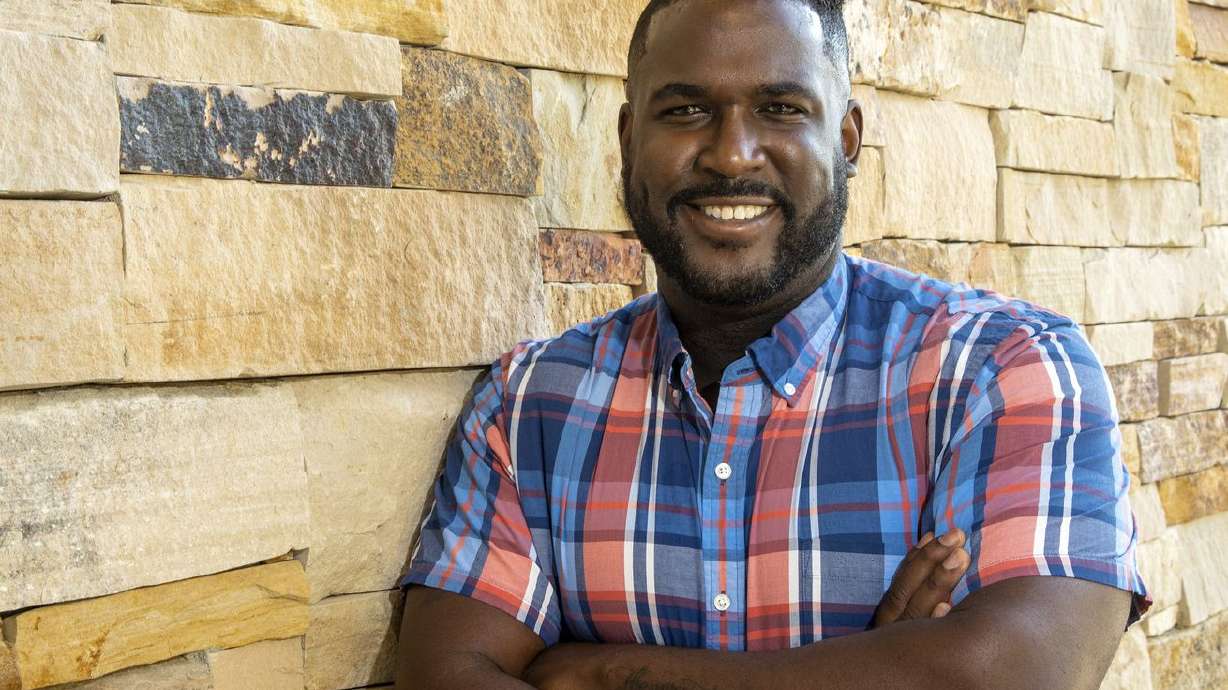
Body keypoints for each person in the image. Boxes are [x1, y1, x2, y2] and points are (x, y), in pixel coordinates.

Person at [395, 0, 1150, 687]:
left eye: (780, 108)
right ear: (629, 140)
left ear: (846, 138)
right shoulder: (528, 404)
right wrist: (873, 668)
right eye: (686, 109)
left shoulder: (1003, 368)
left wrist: (609, 673)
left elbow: (1008, 676)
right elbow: (447, 675)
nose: (732, 154)